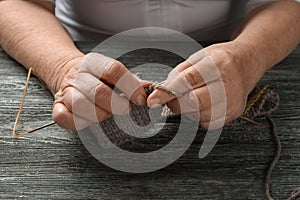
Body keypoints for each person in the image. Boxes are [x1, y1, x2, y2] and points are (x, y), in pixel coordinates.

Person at [0, 0, 299, 131]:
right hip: (74, 51)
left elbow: (283, 2)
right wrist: (63, 66)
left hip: (224, 53)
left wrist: (248, 55)